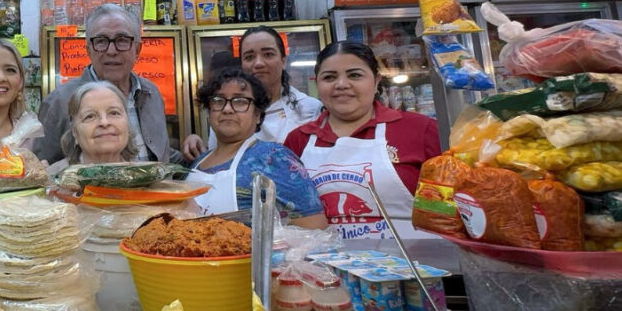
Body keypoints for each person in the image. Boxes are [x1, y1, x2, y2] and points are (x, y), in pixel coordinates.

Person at [283, 41, 450, 268]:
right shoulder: (298, 140)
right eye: (329, 77)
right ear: (318, 84)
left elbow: (451, 205)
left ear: (376, 80)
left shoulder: (422, 130)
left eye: (354, 75)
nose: (341, 84)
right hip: (324, 272)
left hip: (416, 270)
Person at [35, 4, 180, 164]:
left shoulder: (151, 93)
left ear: (137, 49)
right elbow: (41, 168)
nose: (111, 51)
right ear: (88, 50)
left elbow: (161, 152)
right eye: (101, 41)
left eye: (122, 40)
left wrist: (190, 148)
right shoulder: (60, 101)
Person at [189, 68, 326, 228]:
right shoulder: (197, 163)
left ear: (258, 115)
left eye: (240, 101)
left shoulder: (275, 158)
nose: (227, 109)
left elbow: (316, 229)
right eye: (219, 100)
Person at [182, 26, 323, 160]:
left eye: (268, 54)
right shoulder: (227, 110)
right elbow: (220, 157)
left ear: (283, 61)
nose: (258, 63)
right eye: (249, 57)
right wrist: (198, 144)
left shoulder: (309, 109)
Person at [46, 81, 138, 176]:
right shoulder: (51, 179)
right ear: (75, 132)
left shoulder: (147, 175)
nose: (104, 122)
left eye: (114, 113)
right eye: (90, 116)